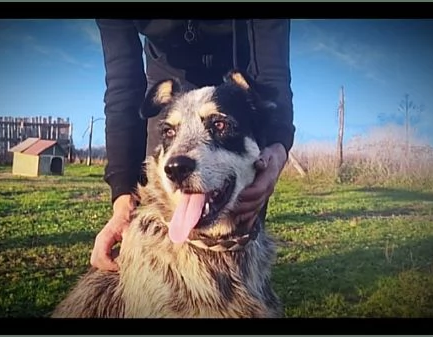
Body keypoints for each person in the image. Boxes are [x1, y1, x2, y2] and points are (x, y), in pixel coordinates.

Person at [91, 19, 296, 271]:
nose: (178, 159)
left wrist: (277, 147)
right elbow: (123, 88)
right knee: (164, 218)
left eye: (219, 125)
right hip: (165, 68)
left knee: (243, 227)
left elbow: (272, 76)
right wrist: (123, 197)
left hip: (244, 68)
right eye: (169, 132)